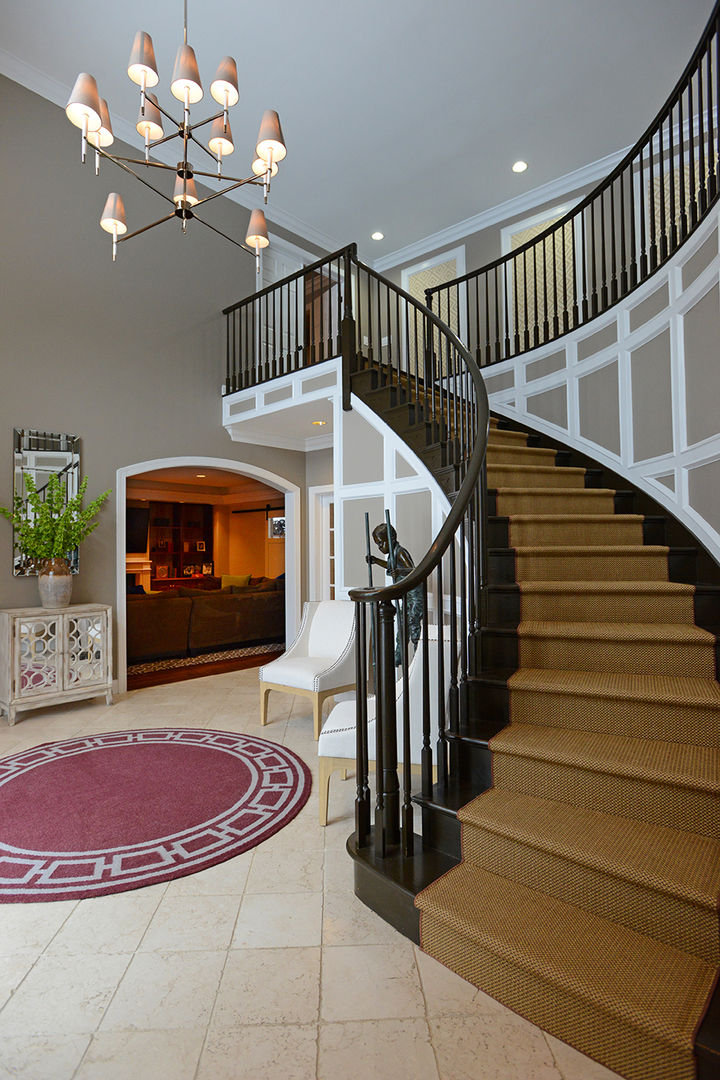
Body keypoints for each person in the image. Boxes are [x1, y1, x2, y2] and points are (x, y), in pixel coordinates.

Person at [367, 522, 423, 666]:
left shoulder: (400, 552)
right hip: (406, 594)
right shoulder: (392, 554)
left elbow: (413, 570)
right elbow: (390, 566)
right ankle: (399, 655)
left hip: (415, 595)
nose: (380, 548)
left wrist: (399, 572)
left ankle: (418, 657)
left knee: (413, 624)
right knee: (402, 624)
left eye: (381, 543)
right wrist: (376, 561)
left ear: (391, 539)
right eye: (377, 545)